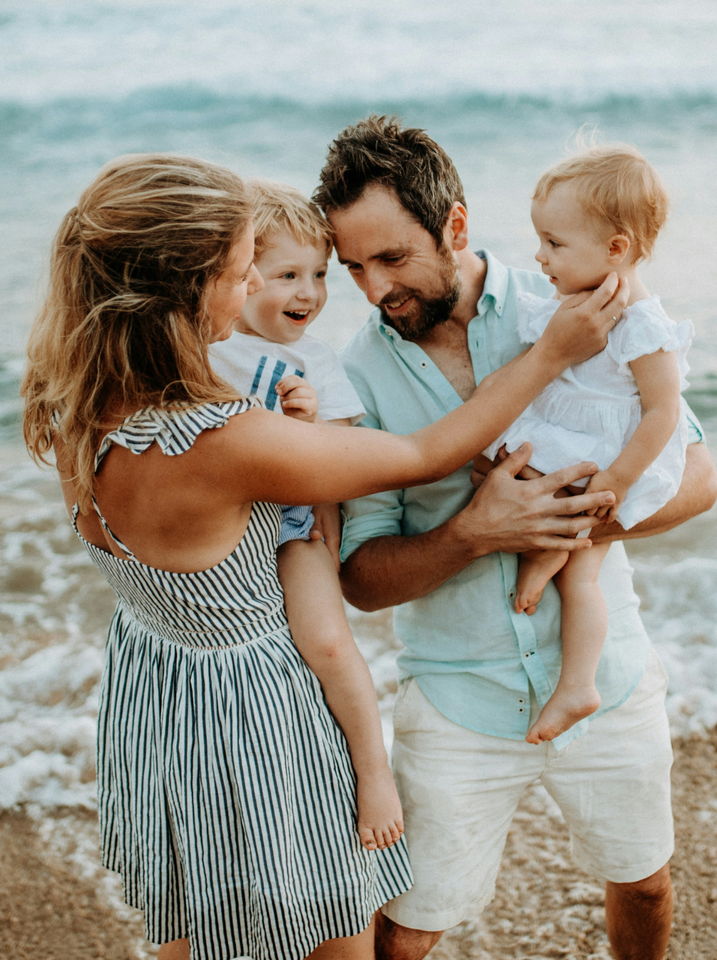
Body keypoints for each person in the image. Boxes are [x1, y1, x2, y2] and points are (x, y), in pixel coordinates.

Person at [19, 153, 631, 960]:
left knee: (198, 916)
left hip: (160, 686)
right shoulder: (225, 439)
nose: (249, 295)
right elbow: (421, 453)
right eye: (240, 275)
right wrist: (550, 356)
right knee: (335, 933)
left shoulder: (76, 407)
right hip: (259, 703)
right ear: (186, 289)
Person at [314, 117, 717, 960]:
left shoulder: (569, 300)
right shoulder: (353, 374)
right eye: (351, 266)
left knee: (644, 881)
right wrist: (475, 532)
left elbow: (698, 475)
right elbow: (361, 578)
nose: (372, 288)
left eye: (391, 258)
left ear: (454, 227)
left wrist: (569, 520)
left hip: (604, 673)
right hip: (458, 697)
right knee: (411, 926)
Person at [209, 178, 403, 851]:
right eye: (288, 274)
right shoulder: (205, 348)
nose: (310, 293)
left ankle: (373, 771)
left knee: (323, 640)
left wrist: (308, 422)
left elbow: (346, 452)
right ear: (240, 275)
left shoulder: (314, 360)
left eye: (320, 275)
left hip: (294, 530)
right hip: (221, 531)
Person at [481, 143, 694, 745]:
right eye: (540, 241)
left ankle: (577, 685)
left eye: (554, 243)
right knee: (505, 464)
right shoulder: (575, 299)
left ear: (616, 249)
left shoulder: (644, 322)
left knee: (583, 575)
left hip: (614, 456)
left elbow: (662, 411)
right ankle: (551, 553)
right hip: (573, 439)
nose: (539, 256)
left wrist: (618, 481)